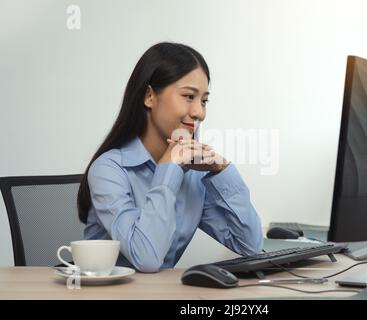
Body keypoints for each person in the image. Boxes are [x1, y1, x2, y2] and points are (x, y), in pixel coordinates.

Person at [77, 42, 263, 272]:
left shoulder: (192, 176)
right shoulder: (109, 170)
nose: (200, 113)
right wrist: (168, 170)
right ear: (149, 96)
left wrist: (222, 170)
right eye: (188, 96)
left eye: (204, 100)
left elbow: (250, 246)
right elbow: (146, 259)